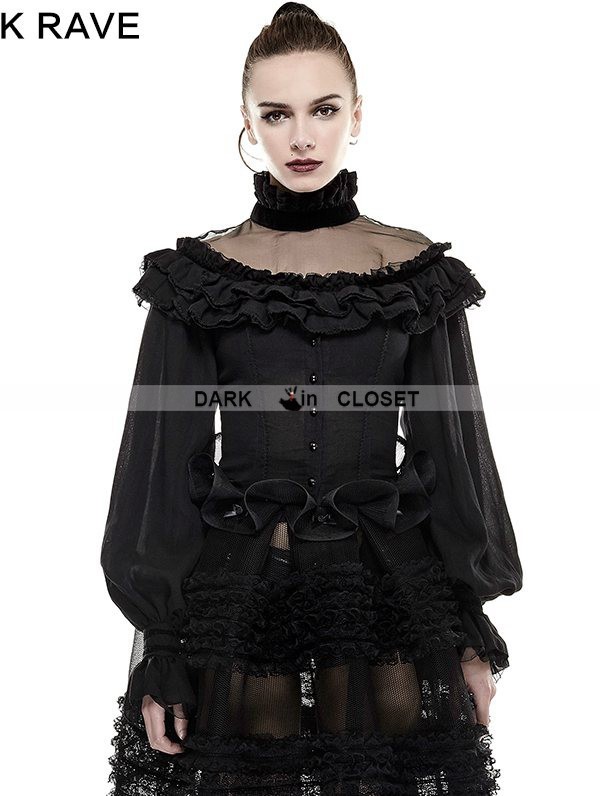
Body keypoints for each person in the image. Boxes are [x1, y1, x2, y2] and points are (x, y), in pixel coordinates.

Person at [100, 3, 523, 793]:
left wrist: (469, 627)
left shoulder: (415, 274)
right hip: (242, 600)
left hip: (388, 599)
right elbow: (158, 466)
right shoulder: (198, 281)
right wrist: (161, 643)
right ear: (247, 123)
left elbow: (456, 452)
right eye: (276, 114)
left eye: (323, 110)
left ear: (356, 116)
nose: (301, 137)